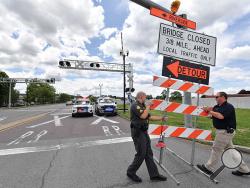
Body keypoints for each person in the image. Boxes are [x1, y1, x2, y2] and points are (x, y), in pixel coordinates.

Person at [197, 92, 250, 176]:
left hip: (225, 132)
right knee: (231, 151)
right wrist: (208, 114)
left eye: (217, 97)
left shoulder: (228, 107)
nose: (215, 98)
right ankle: (244, 169)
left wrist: (209, 111)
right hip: (222, 132)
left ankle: (208, 167)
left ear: (223, 97)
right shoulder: (217, 107)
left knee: (216, 149)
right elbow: (214, 115)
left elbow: (221, 116)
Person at [127, 91, 167, 183]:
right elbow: (143, 116)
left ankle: (154, 175)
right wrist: (148, 105)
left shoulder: (142, 106)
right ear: (141, 97)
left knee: (149, 153)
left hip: (144, 132)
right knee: (141, 153)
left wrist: (161, 118)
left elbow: (149, 117)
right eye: (145, 97)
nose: (146, 99)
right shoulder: (135, 105)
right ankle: (131, 172)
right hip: (138, 132)